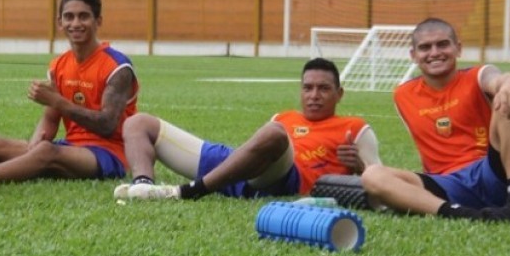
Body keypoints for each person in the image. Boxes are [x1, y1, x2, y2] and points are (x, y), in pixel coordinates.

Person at [115, 57, 382, 201]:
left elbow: (380, 185)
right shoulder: (285, 117)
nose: (314, 95)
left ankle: (187, 192)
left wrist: (359, 166)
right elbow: (255, 151)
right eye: (307, 88)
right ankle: (143, 185)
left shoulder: (354, 128)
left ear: (339, 93)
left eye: (323, 89)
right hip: (243, 173)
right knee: (137, 122)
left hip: (286, 181)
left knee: (275, 133)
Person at [361, 18, 510, 222]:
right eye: (425, 47)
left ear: (458, 48)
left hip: (491, 172)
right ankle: (460, 213)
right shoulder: (403, 95)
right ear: (413, 55)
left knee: (507, 102)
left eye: (443, 44)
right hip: (446, 184)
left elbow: (499, 79)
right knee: (372, 176)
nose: (434, 52)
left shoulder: (477, 77)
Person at [0, 0, 138, 182]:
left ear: (98, 21)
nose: (75, 23)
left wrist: (57, 101)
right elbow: (51, 118)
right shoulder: (59, 65)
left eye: (83, 16)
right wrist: (34, 144)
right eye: (69, 17)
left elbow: (107, 125)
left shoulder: (118, 67)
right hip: (71, 147)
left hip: (110, 153)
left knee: (47, 152)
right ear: (60, 22)